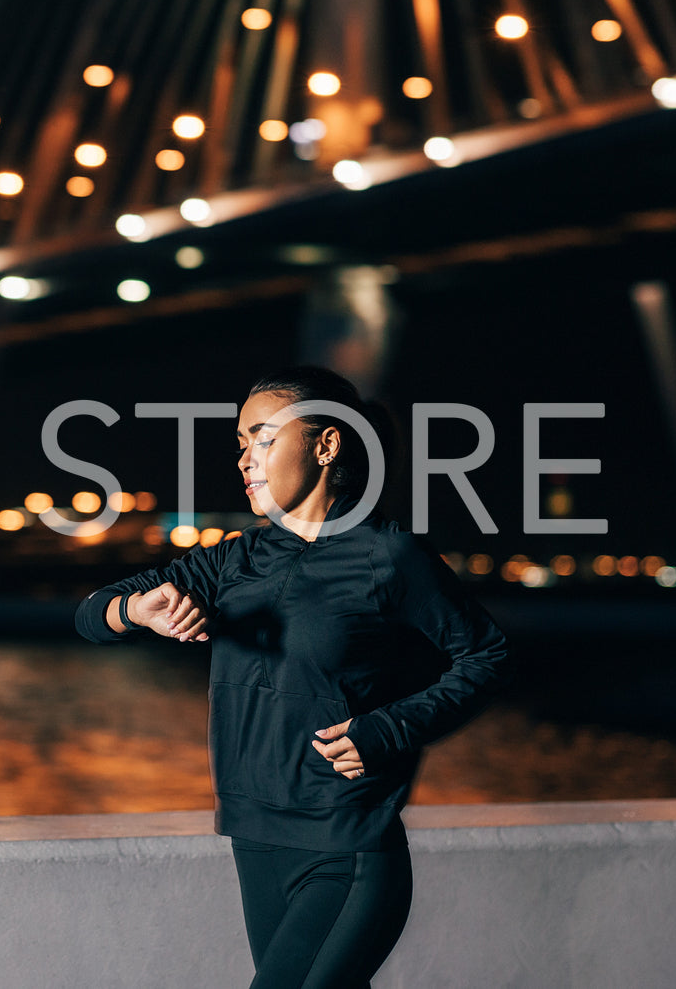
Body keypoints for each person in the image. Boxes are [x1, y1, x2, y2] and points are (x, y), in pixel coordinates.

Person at [74, 365, 513, 988]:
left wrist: (387, 729)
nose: (246, 458)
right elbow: (92, 614)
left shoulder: (389, 556)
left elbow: (487, 656)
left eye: (263, 438)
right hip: (254, 837)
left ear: (326, 444)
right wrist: (135, 610)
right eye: (241, 444)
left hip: (345, 846)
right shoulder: (235, 558)